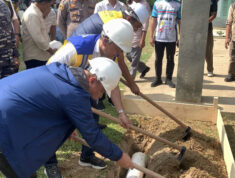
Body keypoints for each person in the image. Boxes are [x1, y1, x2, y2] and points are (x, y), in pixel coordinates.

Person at [0, 57, 134, 178]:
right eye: (102, 91)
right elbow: (93, 135)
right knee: (20, 169)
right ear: (92, 80)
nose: (100, 97)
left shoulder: (63, 73)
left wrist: (67, 128)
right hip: (4, 126)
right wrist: (119, 156)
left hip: (9, 113)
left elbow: (50, 103)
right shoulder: (74, 94)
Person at [45, 18, 133, 177]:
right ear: (106, 40)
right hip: (59, 91)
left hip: (88, 89)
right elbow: (49, 72)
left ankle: (86, 156)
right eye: (118, 48)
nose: (119, 54)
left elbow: (112, 86)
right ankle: (50, 163)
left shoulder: (111, 54)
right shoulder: (75, 49)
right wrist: (65, 113)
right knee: (53, 126)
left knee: (92, 121)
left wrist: (120, 112)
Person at [149, 0, 181, 88]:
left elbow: (179, 21)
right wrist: (151, 36)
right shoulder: (157, 3)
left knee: (170, 59)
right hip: (159, 37)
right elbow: (153, 20)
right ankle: (158, 79)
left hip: (171, 38)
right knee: (158, 59)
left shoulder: (178, 4)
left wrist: (180, 36)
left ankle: (168, 79)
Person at [21, 0, 56, 69]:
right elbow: (38, 39)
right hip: (35, 57)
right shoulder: (32, 14)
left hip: (42, 56)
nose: (49, 7)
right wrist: (52, 51)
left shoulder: (37, 12)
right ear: (44, 3)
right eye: (49, 4)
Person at [126, 1, 151, 79]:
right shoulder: (130, 2)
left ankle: (131, 77)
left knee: (134, 60)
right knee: (128, 55)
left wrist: (142, 39)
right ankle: (143, 68)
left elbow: (145, 24)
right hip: (129, 34)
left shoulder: (144, 4)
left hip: (138, 35)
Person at [0, 0, 20, 79]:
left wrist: (15, 55)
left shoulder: (4, 4)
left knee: (7, 87)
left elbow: (10, 30)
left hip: (8, 60)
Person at [206, 0, 218, 77]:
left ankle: (210, 69)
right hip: (195, 29)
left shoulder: (212, 1)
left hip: (207, 28)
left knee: (208, 50)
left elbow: (214, 14)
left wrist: (205, 22)